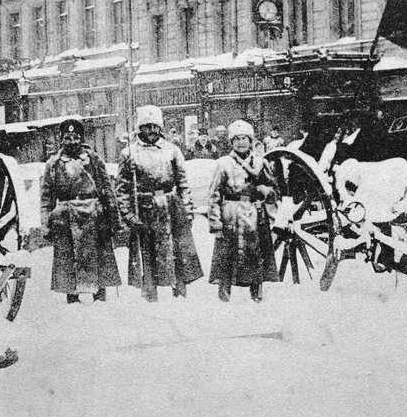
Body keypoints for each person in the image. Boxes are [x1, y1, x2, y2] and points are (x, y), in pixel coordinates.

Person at [116, 105, 204, 301]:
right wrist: (129, 215)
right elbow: (121, 189)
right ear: (140, 129)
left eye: (155, 127)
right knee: (147, 252)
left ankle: (179, 292)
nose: (151, 131)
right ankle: (150, 293)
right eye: (147, 127)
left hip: (171, 206)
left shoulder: (172, 150)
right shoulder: (129, 153)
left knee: (176, 251)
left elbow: (182, 183)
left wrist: (187, 210)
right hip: (144, 207)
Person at [41, 119, 123, 304]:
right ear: (61, 139)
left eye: (76, 137)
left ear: (82, 138)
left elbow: (107, 191)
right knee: (68, 256)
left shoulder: (94, 160)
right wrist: (46, 225)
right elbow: (46, 198)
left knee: (99, 255)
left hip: (94, 213)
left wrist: (113, 219)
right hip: (66, 215)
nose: (72, 142)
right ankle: (71, 296)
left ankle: (100, 295)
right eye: (67, 138)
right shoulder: (53, 164)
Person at [208, 120, 278, 302]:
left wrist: (265, 192)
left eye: (245, 138)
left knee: (256, 253)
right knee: (227, 256)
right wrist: (216, 222)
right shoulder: (223, 164)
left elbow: (273, 191)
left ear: (251, 140)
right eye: (237, 139)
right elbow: (214, 195)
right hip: (231, 214)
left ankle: (256, 294)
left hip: (255, 214)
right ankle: (224, 295)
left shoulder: (261, 163)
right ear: (231, 142)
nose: (241, 143)